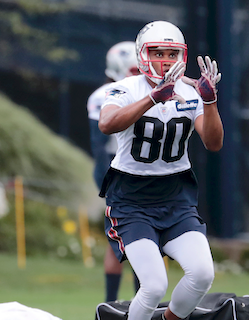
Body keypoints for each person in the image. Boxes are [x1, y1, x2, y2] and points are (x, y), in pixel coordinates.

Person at [98, 20, 223, 320]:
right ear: (143, 55)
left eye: (171, 53)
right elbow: (107, 124)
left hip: (176, 196)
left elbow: (214, 142)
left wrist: (210, 101)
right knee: (153, 286)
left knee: (203, 274)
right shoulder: (126, 88)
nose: (165, 60)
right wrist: (153, 97)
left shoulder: (189, 91)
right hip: (131, 199)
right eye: (158, 53)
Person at [86, 41, 141, 302]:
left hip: (134, 168)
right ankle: (113, 305)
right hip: (121, 169)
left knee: (127, 238)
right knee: (134, 238)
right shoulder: (106, 95)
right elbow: (99, 144)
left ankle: (122, 304)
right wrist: (105, 178)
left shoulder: (146, 91)